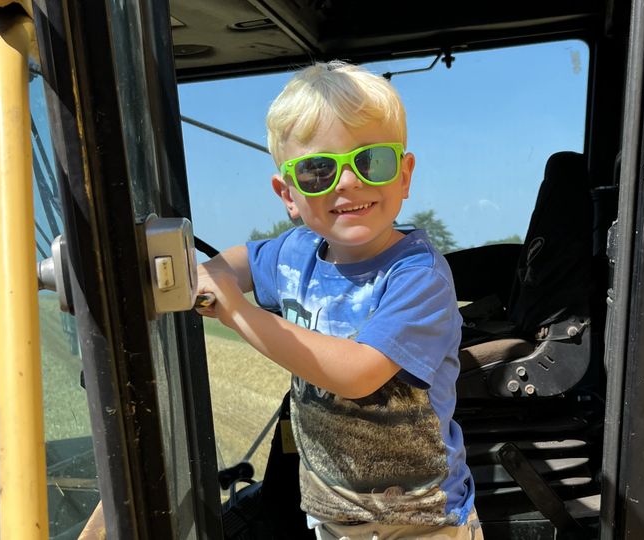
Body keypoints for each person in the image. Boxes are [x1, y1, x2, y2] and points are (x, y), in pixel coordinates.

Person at [196, 61, 481, 539]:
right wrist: (200, 275)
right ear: (287, 194)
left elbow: (357, 373)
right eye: (317, 171)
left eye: (371, 161)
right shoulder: (293, 253)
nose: (347, 182)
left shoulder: (417, 274)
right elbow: (237, 260)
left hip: (420, 525)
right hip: (333, 519)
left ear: (405, 175)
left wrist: (235, 311)